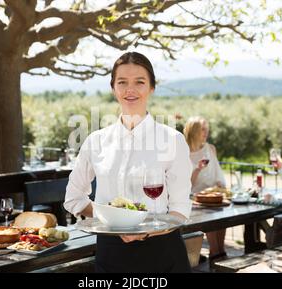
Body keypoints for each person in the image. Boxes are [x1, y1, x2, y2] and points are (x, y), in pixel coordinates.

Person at [64, 52, 193, 273]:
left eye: (139, 82)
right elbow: (73, 199)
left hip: (162, 253)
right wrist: (113, 220)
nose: (129, 89)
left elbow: (180, 211)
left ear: (151, 88)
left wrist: (144, 230)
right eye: (122, 82)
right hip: (110, 254)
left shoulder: (172, 140)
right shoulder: (95, 141)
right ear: (113, 88)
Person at [183, 116, 228, 263]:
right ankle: (216, 255)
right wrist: (197, 169)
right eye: (202, 128)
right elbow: (185, 185)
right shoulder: (183, 152)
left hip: (213, 194)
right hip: (193, 199)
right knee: (211, 217)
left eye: (207, 128)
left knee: (222, 218)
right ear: (193, 130)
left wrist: (221, 186)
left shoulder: (211, 149)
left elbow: (217, 171)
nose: (206, 132)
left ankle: (220, 251)